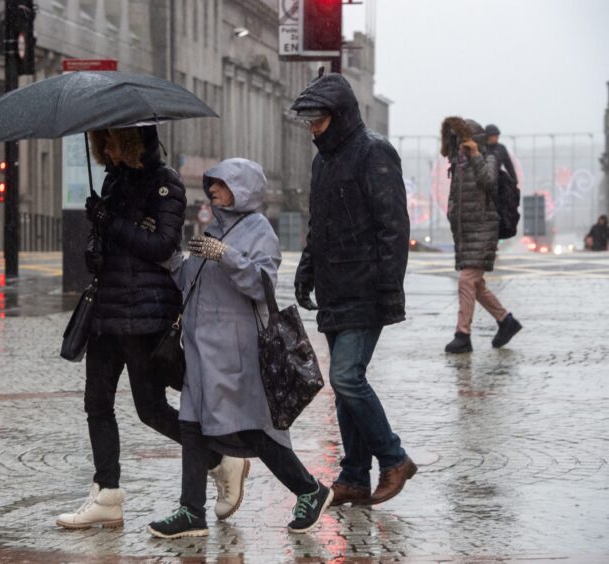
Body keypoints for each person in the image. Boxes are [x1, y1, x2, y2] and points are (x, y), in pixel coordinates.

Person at [56, 126, 246, 529]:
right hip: (107, 309)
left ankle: (220, 460)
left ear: (131, 139)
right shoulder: (111, 180)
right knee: (97, 403)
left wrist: (112, 223)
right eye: (100, 142)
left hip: (145, 313)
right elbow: (117, 243)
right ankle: (107, 492)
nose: (104, 147)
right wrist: (97, 238)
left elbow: (161, 245)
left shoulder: (166, 185)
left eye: (110, 139)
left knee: (151, 409)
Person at [147, 158, 333, 539]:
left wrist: (225, 255)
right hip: (202, 350)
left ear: (243, 189)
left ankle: (310, 489)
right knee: (192, 426)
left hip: (236, 352)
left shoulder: (258, 230)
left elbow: (261, 282)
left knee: (254, 430)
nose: (212, 190)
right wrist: (168, 255)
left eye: (222, 184)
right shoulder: (214, 228)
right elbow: (190, 281)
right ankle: (191, 511)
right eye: (212, 184)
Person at [290, 72, 415, 508]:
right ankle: (354, 476)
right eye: (309, 121)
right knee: (345, 385)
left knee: (346, 376)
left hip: (365, 287)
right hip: (333, 287)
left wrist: (389, 290)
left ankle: (395, 459)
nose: (312, 128)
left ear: (338, 115)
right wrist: (307, 269)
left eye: (318, 120)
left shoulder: (374, 152)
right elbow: (318, 224)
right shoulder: (322, 160)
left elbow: (393, 228)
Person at [441, 117, 522, 354]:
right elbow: (454, 199)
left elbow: (489, 180)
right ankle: (506, 321)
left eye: (462, 140)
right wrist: (451, 215)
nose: (458, 145)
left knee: (467, 280)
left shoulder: (488, 157)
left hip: (484, 230)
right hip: (465, 233)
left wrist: (475, 154)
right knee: (476, 284)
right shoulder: (458, 164)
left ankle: (462, 334)